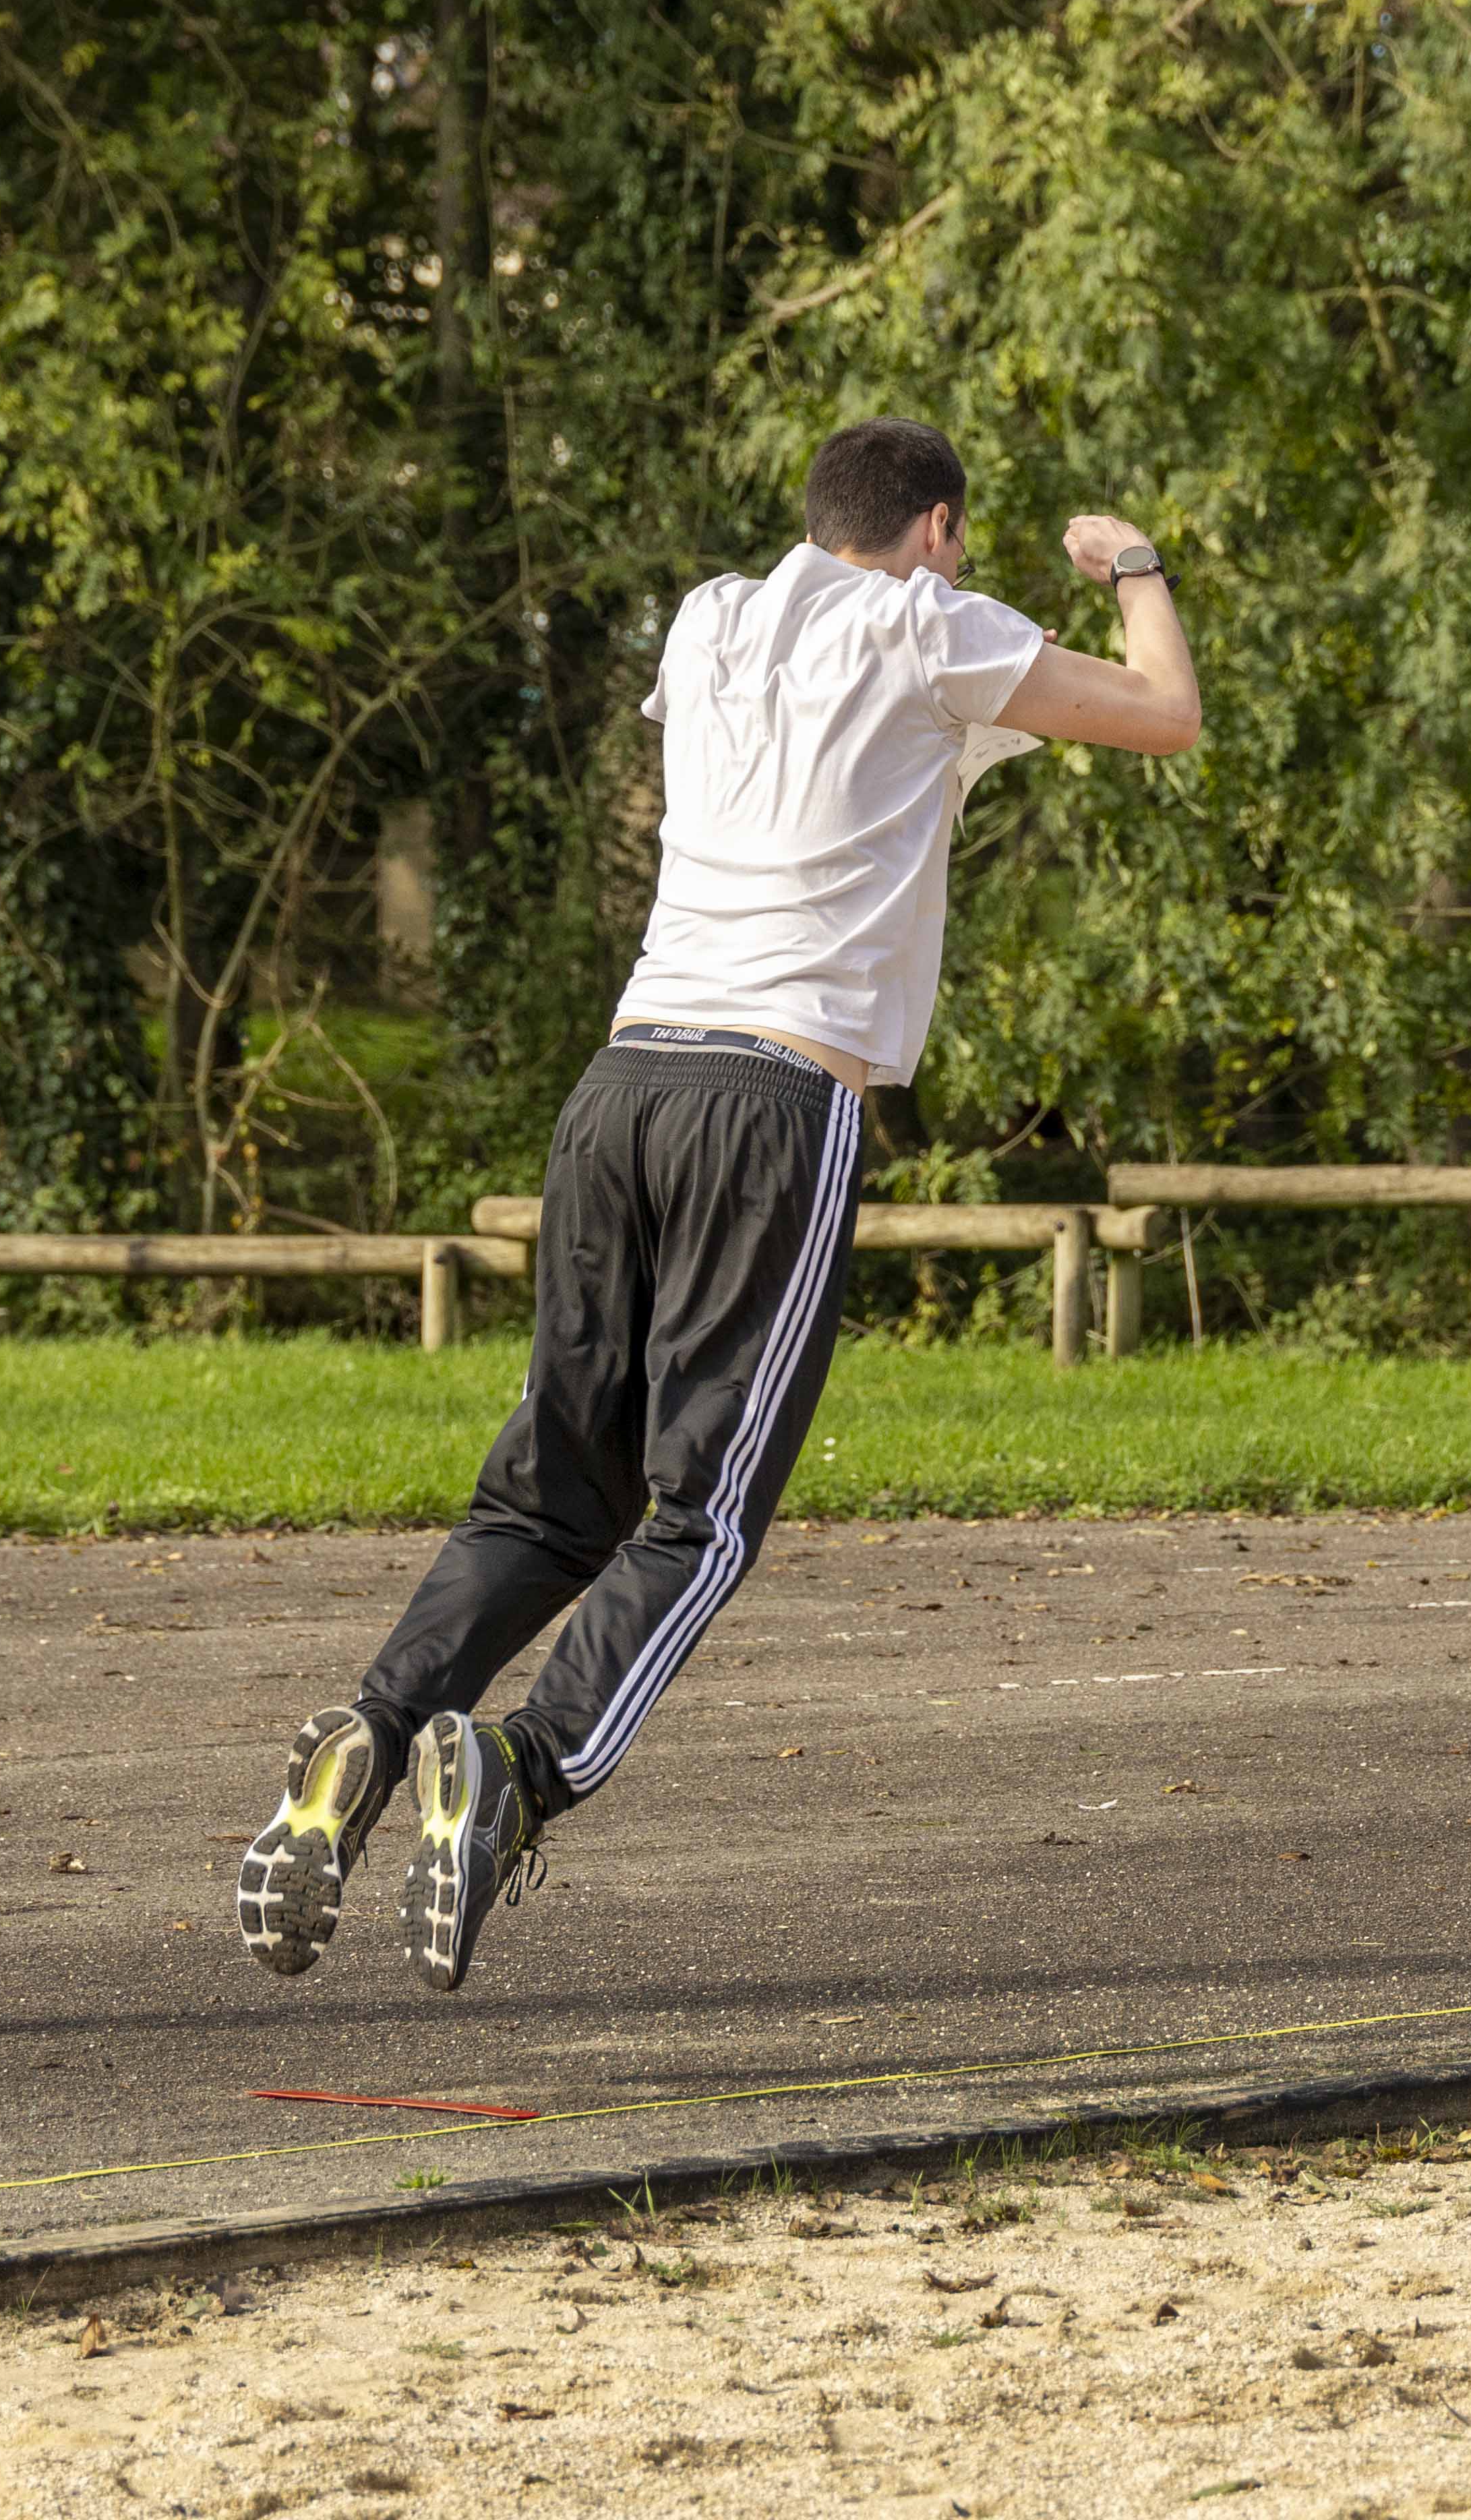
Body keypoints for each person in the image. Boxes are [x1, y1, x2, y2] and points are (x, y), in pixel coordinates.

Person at [237, 417, 1203, 1989]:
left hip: (621, 1081)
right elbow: (1166, 712)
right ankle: (520, 1772)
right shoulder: (928, 623)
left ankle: (376, 1723)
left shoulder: (707, 620)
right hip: (778, 1094)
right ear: (940, 529)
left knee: (547, 1491)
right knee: (703, 1511)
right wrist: (1133, 567)